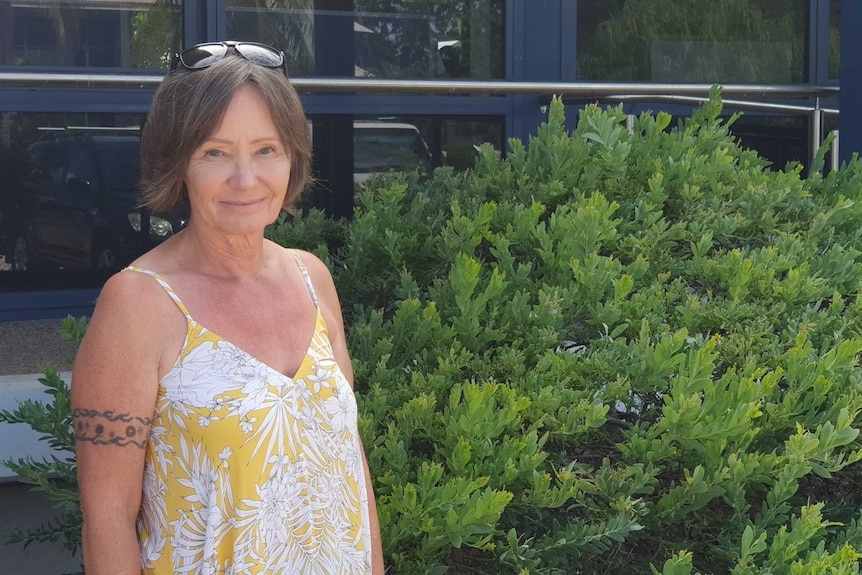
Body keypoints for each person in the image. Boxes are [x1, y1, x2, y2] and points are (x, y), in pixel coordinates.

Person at [71, 41, 384, 574]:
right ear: (179, 164)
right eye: (214, 152)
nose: (245, 179)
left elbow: (348, 464)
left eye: (266, 150)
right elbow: (108, 518)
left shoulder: (312, 278)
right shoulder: (139, 303)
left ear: (292, 158)